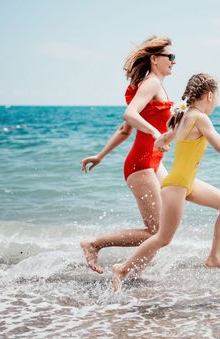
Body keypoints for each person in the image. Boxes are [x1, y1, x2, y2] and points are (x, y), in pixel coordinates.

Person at [112, 73, 220, 290]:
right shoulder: (199, 118)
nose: (216, 103)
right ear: (208, 96)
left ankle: (214, 257)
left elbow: (162, 140)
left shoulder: (183, 115)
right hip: (176, 185)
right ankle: (122, 268)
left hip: (185, 182)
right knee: (163, 238)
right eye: (216, 98)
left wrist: (162, 143)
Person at [79, 36, 176, 273]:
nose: (174, 62)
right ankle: (94, 244)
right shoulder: (152, 83)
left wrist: (100, 155)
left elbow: (124, 131)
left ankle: (131, 273)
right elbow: (129, 115)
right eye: (170, 57)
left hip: (153, 163)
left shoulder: (156, 85)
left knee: (167, 225)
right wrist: (156, 133)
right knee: (157, 232)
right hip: (141, 164)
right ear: (155, 59)